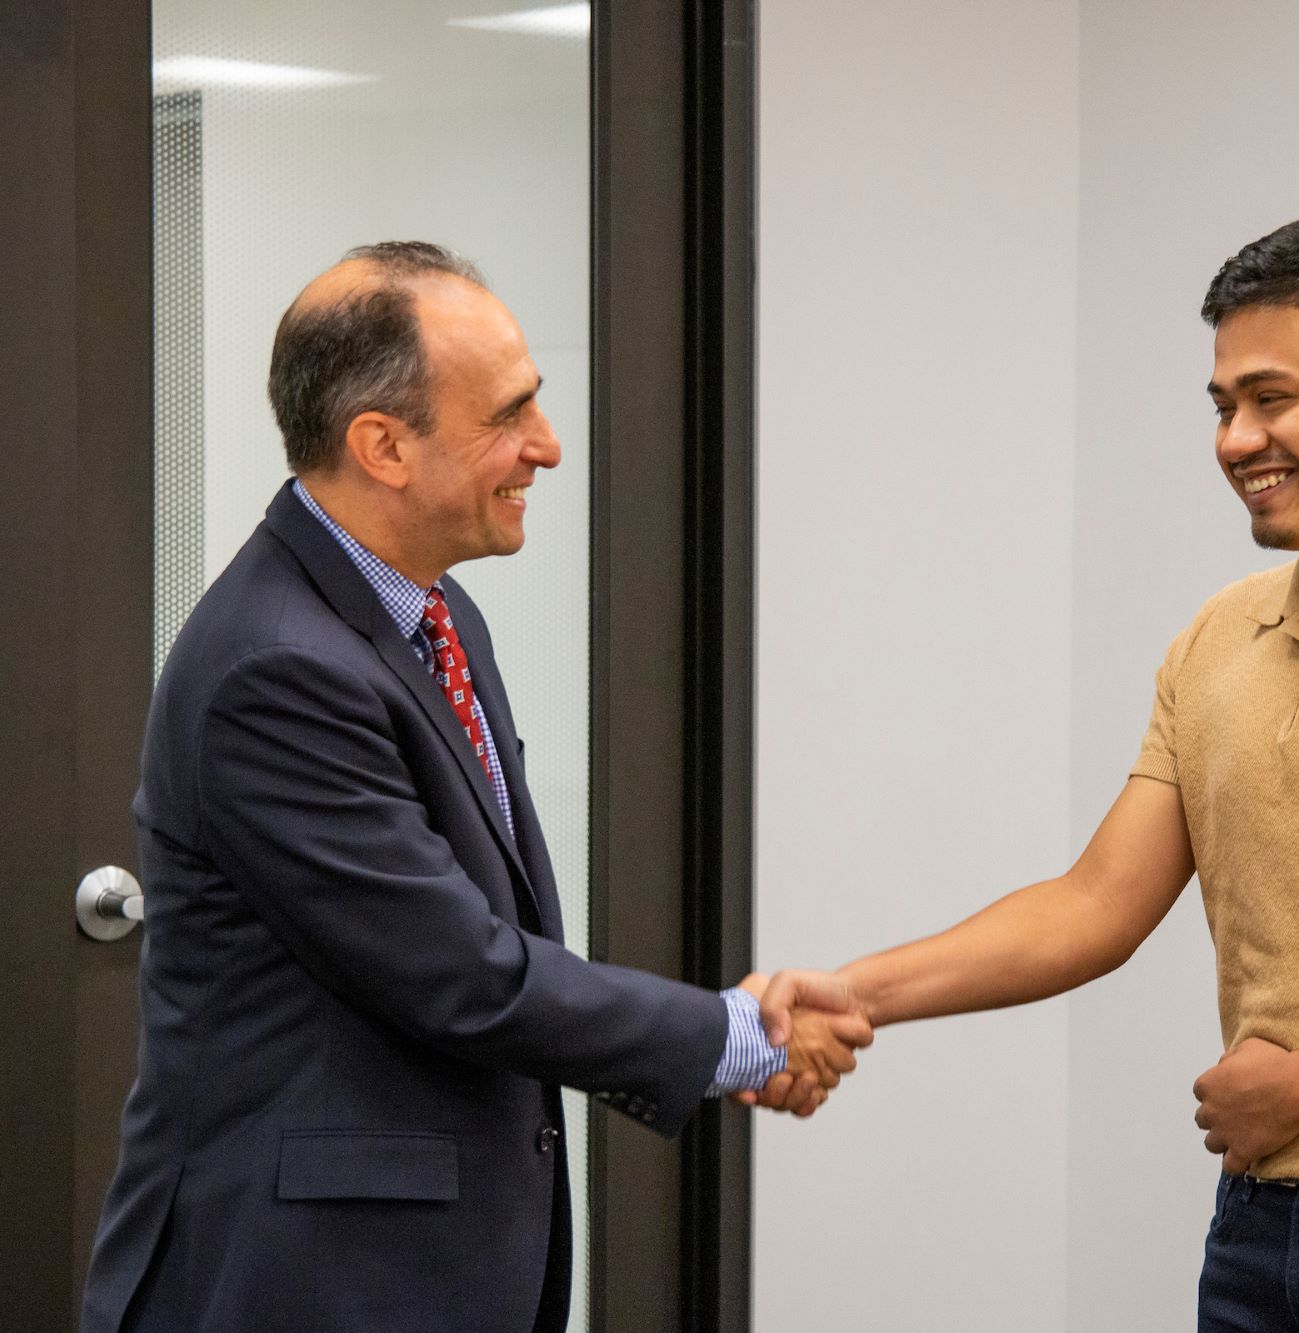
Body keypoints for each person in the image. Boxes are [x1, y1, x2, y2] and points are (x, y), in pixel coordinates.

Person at [756, 220, 1299, 1331]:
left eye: (1270, 399)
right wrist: (856, 990)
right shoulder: (1218, 638)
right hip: (1258, 1227)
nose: (1235, 439)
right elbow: (1093, 904)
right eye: (1222, 405)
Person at [82, 242, 867, 1333]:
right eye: (508, 414)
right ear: (383, 446)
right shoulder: (277, 667)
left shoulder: (431, 617)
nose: (544, 446)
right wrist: (732, 1034)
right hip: (298, 1282)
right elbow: (461, 972)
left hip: (410, 1271)